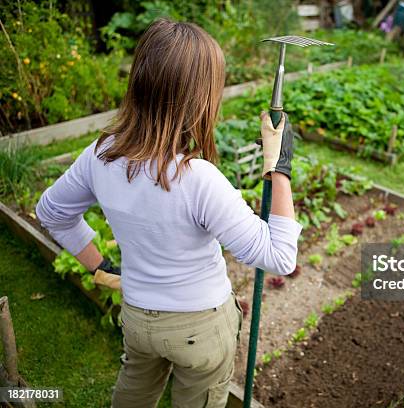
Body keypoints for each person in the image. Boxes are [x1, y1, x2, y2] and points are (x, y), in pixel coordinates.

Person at [35, 18, 301, 408]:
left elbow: (51, 211)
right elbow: (280, 256)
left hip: (139, 319)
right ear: (198, 98)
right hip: (200, 329)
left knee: (132, 398)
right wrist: (280, 169)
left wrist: (101, 266)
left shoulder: (101, 154)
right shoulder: (197, 180)